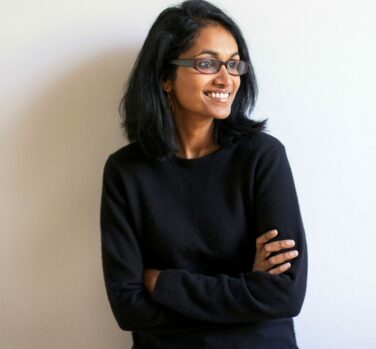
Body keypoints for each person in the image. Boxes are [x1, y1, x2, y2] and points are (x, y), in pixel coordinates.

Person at [100, 0, 308, 348]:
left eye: (233, 63)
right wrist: (246, 291)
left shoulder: (263, 158)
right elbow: (129, 309)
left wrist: (163, 284)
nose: (227, 78)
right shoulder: (126, 172)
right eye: (207, 63)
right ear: (166, 77)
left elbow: (284, 296)